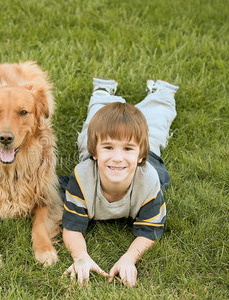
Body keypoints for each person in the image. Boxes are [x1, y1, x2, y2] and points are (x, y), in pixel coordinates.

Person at [61, 78, 178, 287]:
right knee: (92, 127)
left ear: (140, 155)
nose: (117, 157)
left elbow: (151, 229)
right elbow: (72, 226)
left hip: (143, 163)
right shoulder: (82, 177)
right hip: (94, 166)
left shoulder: (150, 180)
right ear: (95, 152)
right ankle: (102, 95)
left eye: (127, 149)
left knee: (154, 131)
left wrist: (129, 258)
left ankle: (161, 96)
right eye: (108, 148)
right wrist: (80, 257)